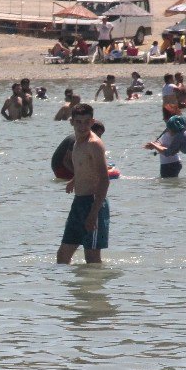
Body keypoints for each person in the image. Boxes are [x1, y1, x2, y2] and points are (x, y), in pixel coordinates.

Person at [56, 103, 109, 264]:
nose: (82, 126)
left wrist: (93, 213)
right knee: (63, 256)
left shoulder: (94, 144)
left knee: (91, 259)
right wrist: (74, 180)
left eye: (86, 122)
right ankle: (69, 289)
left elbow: (104, 180)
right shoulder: (77, 142)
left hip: (93, 203)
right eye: (78, 122)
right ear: (71, 122)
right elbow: (85, 167)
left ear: (92, 122)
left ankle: (93, 289)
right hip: (79, 202)